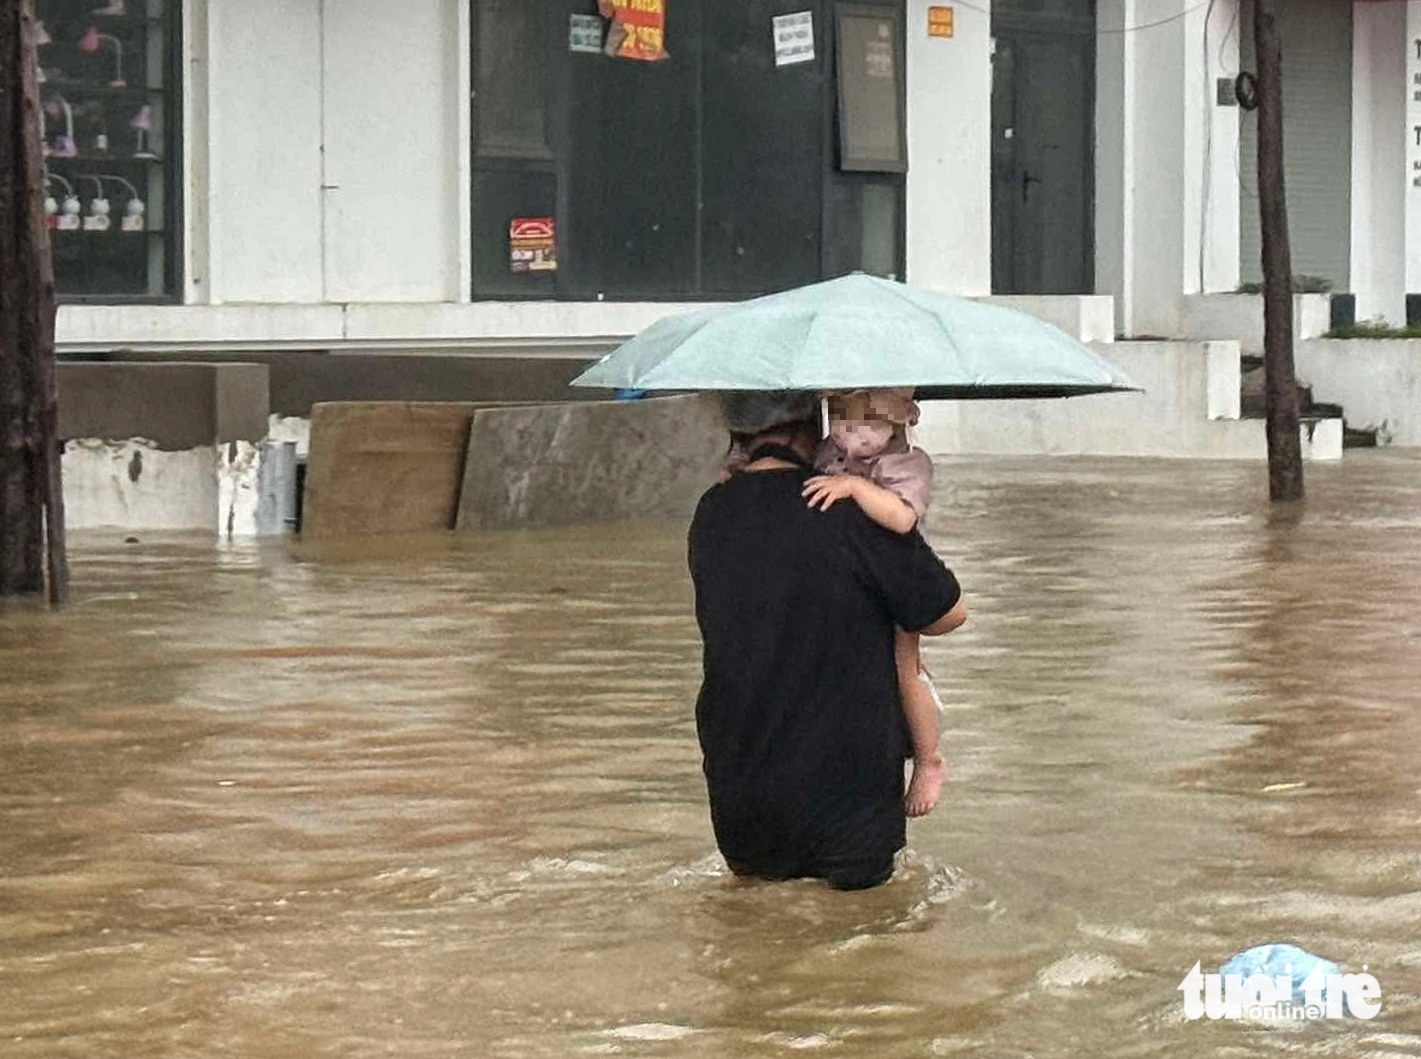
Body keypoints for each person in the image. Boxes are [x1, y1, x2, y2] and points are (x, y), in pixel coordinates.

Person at [688, 391, 966, 891]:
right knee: (867, 944)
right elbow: (947, 612)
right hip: (847, 784)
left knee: (753, 934)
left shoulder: (711, 513)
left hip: (740, 779)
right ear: (808, 425)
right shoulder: (846, 506)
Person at [801, 388, 946, 818]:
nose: (852, 434)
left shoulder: (908, 464)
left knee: (905, 665)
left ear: (904, 419)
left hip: (895, 573)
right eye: (841, 419)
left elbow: (902, 519)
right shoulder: (832, 450)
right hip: (850, 575)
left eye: (868, 422)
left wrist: (853, 488)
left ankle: (928, 758)